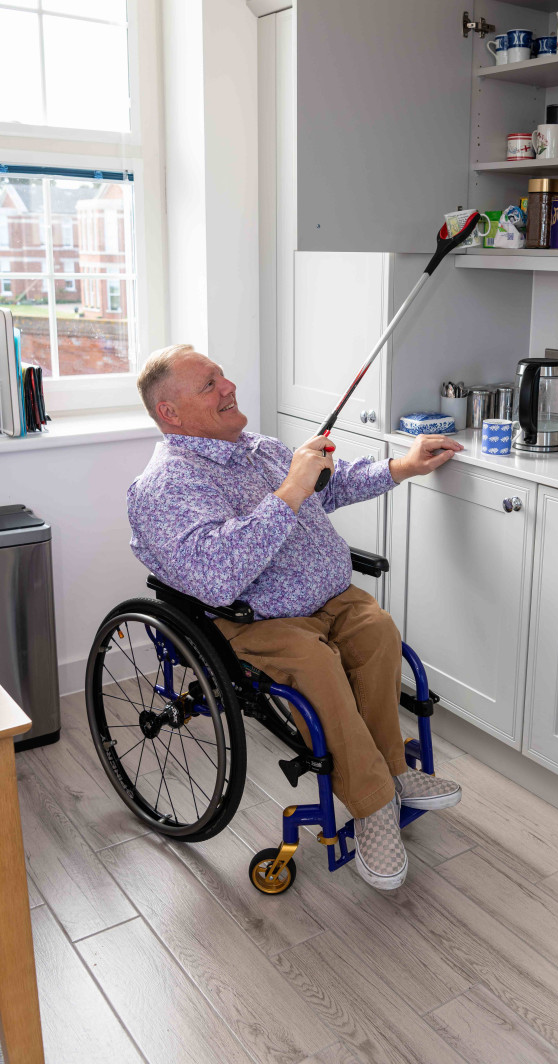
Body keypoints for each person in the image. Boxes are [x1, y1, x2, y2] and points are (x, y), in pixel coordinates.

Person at [128, 344, 465, 890]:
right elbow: (219, 574)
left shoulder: (257, 448)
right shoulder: (167, 485)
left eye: (222, 376)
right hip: (259, 620)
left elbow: (330, 487)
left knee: (378, 630)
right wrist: (291, 488)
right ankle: (373, 804)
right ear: (171, 412)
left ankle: (393, 772)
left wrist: (402, 466)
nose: (229, 387)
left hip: (332, 599)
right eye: (209, 384)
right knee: (315, 664)